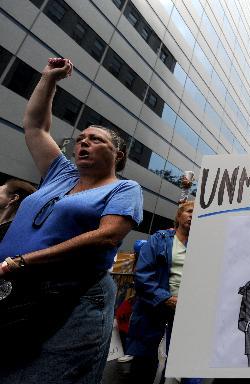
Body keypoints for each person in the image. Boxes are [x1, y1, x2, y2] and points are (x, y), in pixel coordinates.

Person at [0, 57, 143, 383]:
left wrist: (22, 262)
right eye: (80, 139)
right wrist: (48, 78)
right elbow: (35, 126)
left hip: (73, 301)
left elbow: (106, 237)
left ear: (117, 156)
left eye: (95, 140)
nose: (83, 143)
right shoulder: (59, 174)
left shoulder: (124, 188)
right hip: (18, 291)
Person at [127, 201, 201, 383]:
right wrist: (167, 299)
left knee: (183, 363)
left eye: (197, 213)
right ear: (178, 216)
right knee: (145, 361)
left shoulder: (204, 246)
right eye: (189, 211)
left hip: (188, 312)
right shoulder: (159, 239)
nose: (193, 215)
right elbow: (143, 275)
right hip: (154, 308)